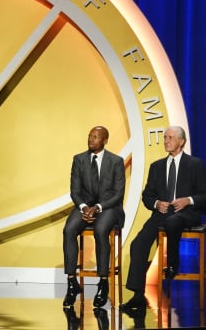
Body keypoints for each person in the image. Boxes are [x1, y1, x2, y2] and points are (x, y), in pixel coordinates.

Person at [120, 125, 206, 310]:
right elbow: (147, 195)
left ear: (181, 142)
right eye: (165, 137)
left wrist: (188, 200)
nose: (166, 141)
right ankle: (137, 295)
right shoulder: (157, 166)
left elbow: (204, 195)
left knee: (173, 221)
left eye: (170, 138)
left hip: (186, 214)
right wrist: (157, 203)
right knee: (138, 243)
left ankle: (173, 262)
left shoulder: (195, 165)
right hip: (162, 214)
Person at [63, 126, 125, 308]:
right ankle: (72, 282)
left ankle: (103, 282)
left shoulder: (116, 161)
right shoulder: (79, 159)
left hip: (109, 207)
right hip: (84, 206)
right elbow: (75, 191)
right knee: (68, 230)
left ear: (105, 140)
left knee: (100, 229)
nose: (91, 140)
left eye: (95, 137)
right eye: (89, 136)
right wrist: (83, 208)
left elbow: (118, 194)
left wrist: (97, 208)